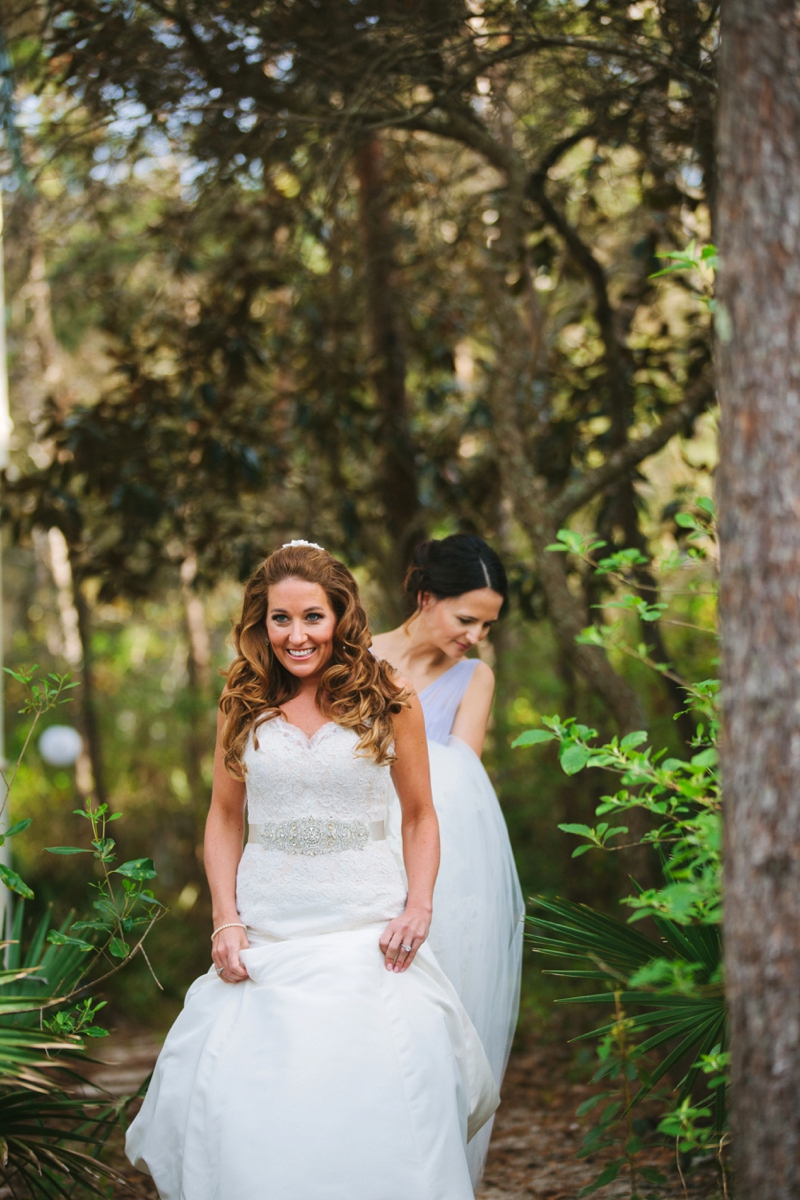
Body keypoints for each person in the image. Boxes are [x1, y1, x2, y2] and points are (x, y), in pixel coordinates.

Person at [125, 541, 498, 1200]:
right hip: (268, 933)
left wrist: (418, 907)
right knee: (253, 1118)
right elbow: (223, 818)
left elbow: (419, 816)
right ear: (260, 623)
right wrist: (225, 919)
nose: (296, 635)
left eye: (312, 618)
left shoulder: (390, 697)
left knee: (381, 1114)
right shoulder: (240, 699)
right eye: (280, 619)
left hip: (368, 935)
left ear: (340, 617)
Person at [372, 533, 525, 1184]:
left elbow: (459, 777)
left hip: (446, 864)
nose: (476, 637)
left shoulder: (475, 678)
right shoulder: (360, 657)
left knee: (437, 1019)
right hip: (362, 850)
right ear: (426, 596)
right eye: (468, 620)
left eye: (487, 625)